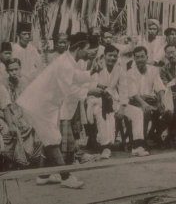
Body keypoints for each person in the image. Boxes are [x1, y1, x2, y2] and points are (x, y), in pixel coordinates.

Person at [16, 32, 102, 189]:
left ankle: (43, 175)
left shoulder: (69, 61)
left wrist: (91, 73)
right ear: (78, 47)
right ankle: (66, 176)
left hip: (46, 106)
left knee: (48, 139)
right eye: (87, 48)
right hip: (38, 105)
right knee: (53, 139)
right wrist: (90, 91)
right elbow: (69, 90)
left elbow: (76, 76)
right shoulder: (65, 64)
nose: (89, 52)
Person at [89, 45, 148, 157]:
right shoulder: (97, 68)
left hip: (115, 102)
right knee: (101, 114)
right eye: (110, 55)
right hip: (97, 101)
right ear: (104, 56)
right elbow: (92, 86)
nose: (112, 58)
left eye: (115, 56)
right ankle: (105, 147)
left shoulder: (119, 69)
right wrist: (104, 93)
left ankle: (137, 146)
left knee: (137, 112)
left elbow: (124, 90)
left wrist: (122, 107)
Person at [0, 58, 42, 169]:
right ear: (7, 71)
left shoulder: (25, 82)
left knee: (32, 126)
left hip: (21, 112)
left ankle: (31, 159)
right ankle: (12, 161)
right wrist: (11, 119)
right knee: (9, 130)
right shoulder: (3, 84)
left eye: (16, 69)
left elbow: (29, 102)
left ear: (20, 69)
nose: (14, 72)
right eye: (11, 70)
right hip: (5, 114)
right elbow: (4, 107)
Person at [127, 46, 167, 145]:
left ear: (147, 57)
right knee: (145, 110)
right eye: (137, 57)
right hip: (136, 102)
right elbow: (133, 94)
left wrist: (162, 100)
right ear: (134, 59)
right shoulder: (130, 72)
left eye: (142, 56)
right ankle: (142, 140)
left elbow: (160, 87)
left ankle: (154, 134)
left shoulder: (153, 70)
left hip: (151, 100)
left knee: (168, 112)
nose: (140, 59)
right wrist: (144, 103)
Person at [159, 44, 176, 149]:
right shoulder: (163, 69)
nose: (171, 55)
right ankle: (170, 136)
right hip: (169, 96)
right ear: (165, 55)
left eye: (173, 52)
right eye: (168, 53)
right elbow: (164, 85)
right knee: (167, 111)